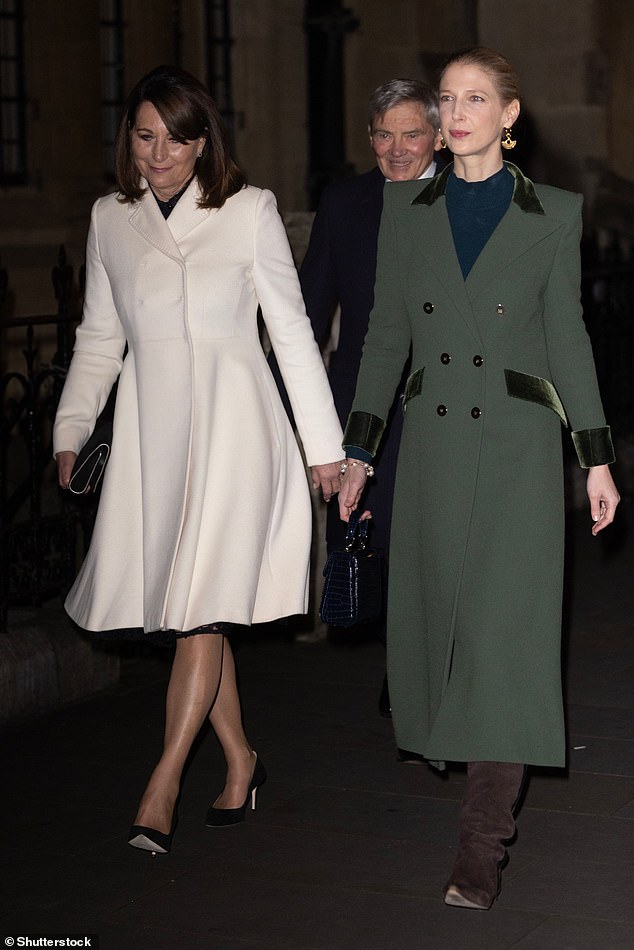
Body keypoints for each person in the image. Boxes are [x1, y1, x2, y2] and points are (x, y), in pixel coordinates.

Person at [338, 46, 620, 910]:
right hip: (432, 449)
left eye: (474, 99)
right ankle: (449, 747)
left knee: (509, 640)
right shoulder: (406, 211)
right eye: (447, 99)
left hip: (518, 453)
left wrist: (595, 455)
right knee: (437, 628)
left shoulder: (555, 214)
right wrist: (360, 448)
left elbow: (567, 337)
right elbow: (387, 333)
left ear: (509, 114)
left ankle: (482, 845)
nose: (455, 113)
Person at [53, 65, 343, 855]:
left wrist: (325, 450)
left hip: (238, 433)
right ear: (130, 139)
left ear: (204, 140)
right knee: (194, 606)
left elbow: (290, 331)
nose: (161, 153)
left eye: (178, 138)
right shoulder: (111, 219)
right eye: (146, 136)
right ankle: (242, 759)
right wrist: (70, 431)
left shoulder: (248, 211)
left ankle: (163, 783)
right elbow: (98, 338)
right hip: (155, 440)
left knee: (197, 613)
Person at [271, 80, 441, 715]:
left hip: (440, 400)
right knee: (380, 537)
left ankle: (418, 668)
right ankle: (408, 665)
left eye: (411, 134)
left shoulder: (465, 198)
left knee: (429, 540)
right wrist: (296, 419)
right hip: (364, 404)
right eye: (382, 135)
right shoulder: (344, 203)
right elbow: (310, 315)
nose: (396, 149)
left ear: (438, 136)